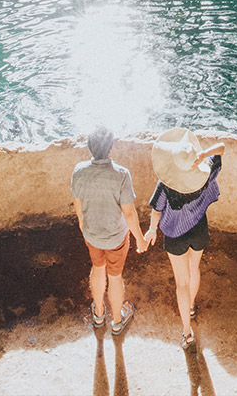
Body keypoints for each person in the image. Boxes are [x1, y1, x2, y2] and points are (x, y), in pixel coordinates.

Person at [142, 127, 225, 349]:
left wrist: (151, 230)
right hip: (198, 229)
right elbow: (222, 148)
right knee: (194, 268)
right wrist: (201, 156)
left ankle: (187, 333)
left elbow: (157, 210)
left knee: (182, 283)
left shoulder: (166, 185)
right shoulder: (206, 171)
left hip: (174, 235)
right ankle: (191, 306)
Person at [72, 128, 148, 336]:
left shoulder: (79, 171)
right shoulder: (121, 174)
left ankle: (98, 314)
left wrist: (81, 222)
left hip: (92, 234)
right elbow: (129, 213)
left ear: (89, 147)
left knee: (97, 268)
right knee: (114, 277)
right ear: (111, 147)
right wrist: (140, 239)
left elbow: (77, 202)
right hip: (116, 237)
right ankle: (116, 321)